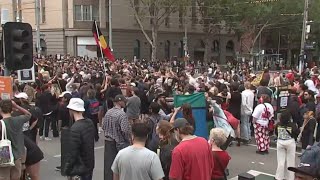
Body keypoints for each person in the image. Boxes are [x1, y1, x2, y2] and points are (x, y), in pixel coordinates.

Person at [63, 98, 95, 180]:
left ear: (71, 110)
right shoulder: (90, 123)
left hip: (79, 168)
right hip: (89, 164)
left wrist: (67, 169)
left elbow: (72, 153)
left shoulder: (75, 128)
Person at [0, 100, 31, 180]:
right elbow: (28, 114)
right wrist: (16, 106)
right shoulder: (18, 120)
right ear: (12, 110)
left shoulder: (1, 123)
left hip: (4, 155)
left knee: (3, 177)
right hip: (17, 156)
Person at [103, 94, 131, 180]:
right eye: (124, 101)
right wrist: (128, 140)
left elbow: (103, 126)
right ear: (120, 102)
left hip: (108, 141)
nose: (125, 103)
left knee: (108, 164)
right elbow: (125, 130)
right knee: (119, 166)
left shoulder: (108, 112)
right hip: (118, 142)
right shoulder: (122, 114)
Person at [275, 110, 299, 180]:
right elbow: (296, 132)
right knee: (290, 161)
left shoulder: (278, 124)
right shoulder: (292, 125)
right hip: (290, 142)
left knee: (280, 161)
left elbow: (276, 133)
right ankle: (290, 178)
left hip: (280, 142)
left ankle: (279, 177)